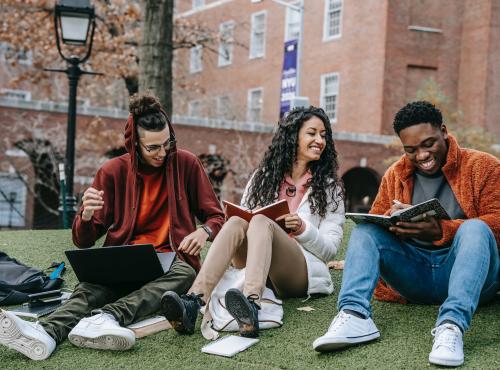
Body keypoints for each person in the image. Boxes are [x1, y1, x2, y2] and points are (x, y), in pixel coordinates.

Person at [0, 92, 225, 360]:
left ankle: (107, 317)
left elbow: (216, 217)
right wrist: (85, 216)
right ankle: (45, 334)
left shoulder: (186, 163)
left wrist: (204, 231)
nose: (163, 153)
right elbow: (83, 241)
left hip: (169, 259)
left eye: (167, 144)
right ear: (134, 145)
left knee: (186, 274)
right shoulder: (112, 172)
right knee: (89, 288)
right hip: (124, 256)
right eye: (153, 148)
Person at [313, 101, 500, 367]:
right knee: (366, 229)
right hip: (415, 277)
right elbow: (377, 222)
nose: (422, 155)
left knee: (476, 228)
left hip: (472, 279)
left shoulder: (483, 166)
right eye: (411, 150)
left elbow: (498, 222)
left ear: (444, 131)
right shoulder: (395, 174)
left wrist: (443, 230)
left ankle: (451, 326)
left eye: (429, 144)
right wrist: (393, 223)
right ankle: (354, 315)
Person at [161, 106, 345, 338]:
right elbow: (245, 221)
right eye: (312, 133)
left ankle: (251, 305)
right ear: (293, 136)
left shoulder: (329, 188)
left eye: (323, 135)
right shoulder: (263, 177)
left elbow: (329, 250)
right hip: (255, 264)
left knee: (261, 222)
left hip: (298, 272)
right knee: (239, 220)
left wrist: (302, 228)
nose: (319, 140)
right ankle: (193, 301)